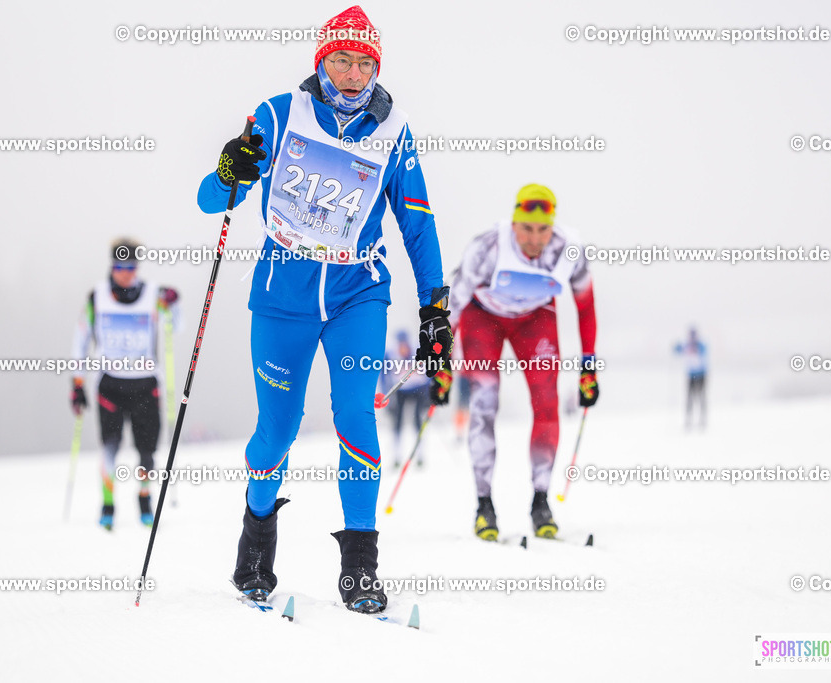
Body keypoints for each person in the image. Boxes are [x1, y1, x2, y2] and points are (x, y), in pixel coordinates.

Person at [195, 6, 452, 613]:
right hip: (282, 296)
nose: (354, 73)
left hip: (357, 292)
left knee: (355, 419)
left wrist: (433, 308)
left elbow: (417, 224)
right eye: (342, 59)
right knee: (276, 431)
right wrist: (231, 169)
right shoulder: (281, 114)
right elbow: (213, 199)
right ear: (321, 59)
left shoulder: (395, 131)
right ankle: (256, 543)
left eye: (366, 62)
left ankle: (360, 567)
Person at [450, 184, 598, 541]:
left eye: (542, 229)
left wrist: (588, 366)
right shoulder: (487, 247)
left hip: (535, 317)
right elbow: (453, 305)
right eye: (526, 228)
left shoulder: (569, 251)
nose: (534, 238)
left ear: (553, 226)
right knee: (484, 403)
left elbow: (585, 307)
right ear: (514, 222)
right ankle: (484, 504)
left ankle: (541, 501)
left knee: (547, 401)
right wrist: (441, 363)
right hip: (482, 315)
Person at [70, 239, 180, 531]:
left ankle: (144, 502)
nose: (126, 273)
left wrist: (174, 302)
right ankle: (107, 505)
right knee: (110, 448)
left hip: (146, 384)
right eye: (120, 267)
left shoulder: (153, 295)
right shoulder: (97, 298)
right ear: (112, 267)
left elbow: (175, 326)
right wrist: (77, 384)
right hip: (111, 387)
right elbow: (80, 342)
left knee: (147, 452)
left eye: (131, 267)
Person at [380, 331, 432, 468]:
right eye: (401, 344)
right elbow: (384, 375)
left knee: (417, 420)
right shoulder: (391, 354)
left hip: (419, 388)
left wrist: (431, 390)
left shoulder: (418, 349)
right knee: (397, 421)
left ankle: (420, 454)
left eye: (405, 344)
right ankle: (396, 455)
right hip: (401, 390)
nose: (403, 348)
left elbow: (431, 368)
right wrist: (386, 395)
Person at [674, 327, 708, 429]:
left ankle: (702, 419)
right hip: (690, 375)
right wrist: (676, 347)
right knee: (689, 398)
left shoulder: (701, 345)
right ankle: (689, 419)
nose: (692, 338)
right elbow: (678, 350)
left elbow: (702, 351)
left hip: (701, 375)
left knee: (701, 396)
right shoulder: (687, 345)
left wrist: (691, 349)